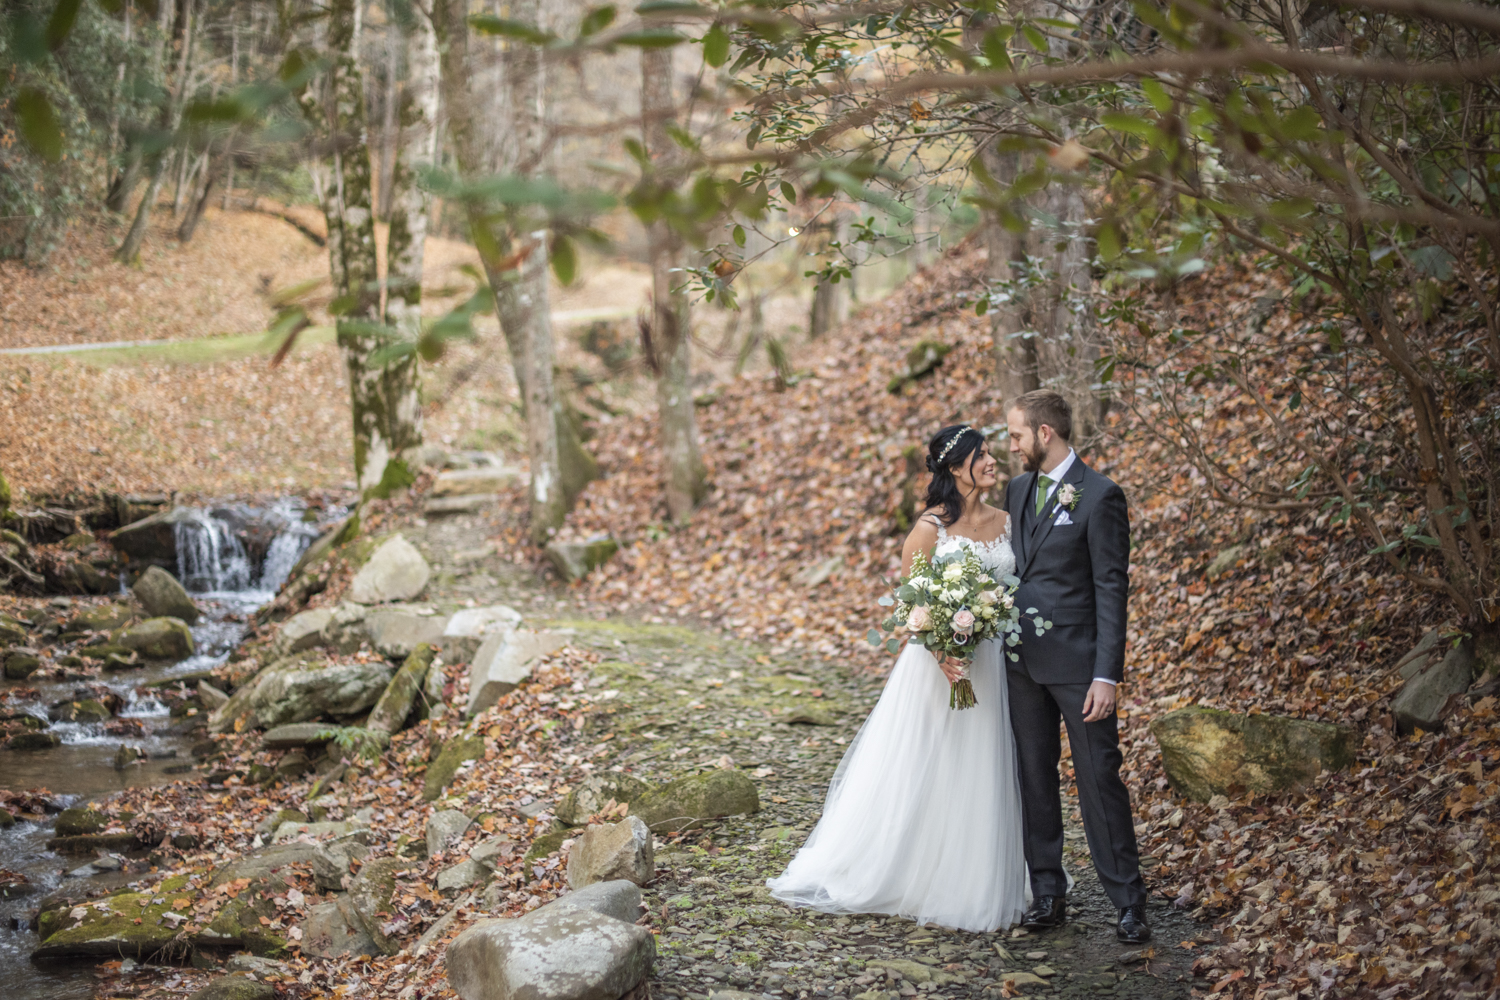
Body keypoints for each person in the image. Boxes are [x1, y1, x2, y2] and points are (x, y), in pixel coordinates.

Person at [766, 423, 1029, 931]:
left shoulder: (1009, 521)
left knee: (986, 765)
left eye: (994, 452)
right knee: (931, 765)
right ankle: (911, 869)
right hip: (939, 668)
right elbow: (915, 607)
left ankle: (981, 871)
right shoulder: (930, 529)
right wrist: (944, 656)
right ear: (956, 469)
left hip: (994, 662)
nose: (994, 461)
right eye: (982, 455)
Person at [1003, 389, 1149, 944]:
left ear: (1045, 434)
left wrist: (1107, 675)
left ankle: (1129, 901)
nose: (1011, 445)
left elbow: (1112, 588)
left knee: (1098, 780)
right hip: (1022, 663)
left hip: (1081, 668)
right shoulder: (1018, 490)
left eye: (1016, 434)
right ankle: (1048, 893)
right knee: (1034, 779)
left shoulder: (1101, 496)